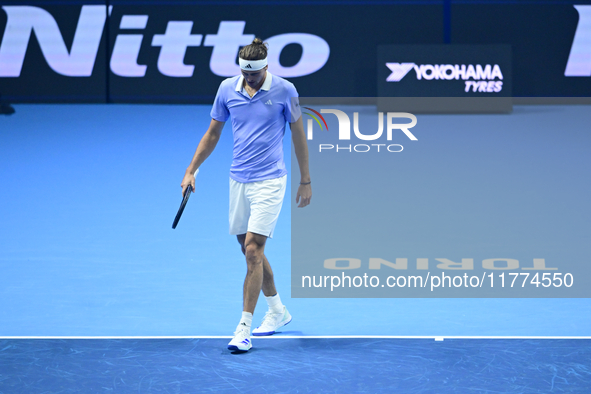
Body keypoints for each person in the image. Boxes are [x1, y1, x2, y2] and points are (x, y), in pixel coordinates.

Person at [180, 38, 311, 352]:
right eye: (244, 73)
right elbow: (213, 133)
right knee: (249, 249)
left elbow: (298, 134)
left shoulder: (286, 91)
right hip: (238, 181)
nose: (249, 79)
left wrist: (305, 180)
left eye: (253, 74)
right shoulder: (227, 89)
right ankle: (278, 311)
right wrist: (191, 170)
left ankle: (243, 328)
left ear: (266, 67)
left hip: (270, 181)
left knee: (253, 250)